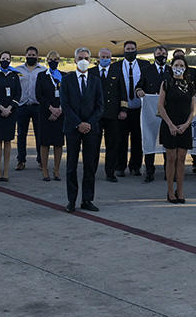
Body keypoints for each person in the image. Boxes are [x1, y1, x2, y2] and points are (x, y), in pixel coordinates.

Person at [62, 47, 103, 212]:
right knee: (71, 166)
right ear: (75, 60)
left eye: (86, 58)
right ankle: (71, 200)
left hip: (91, 130)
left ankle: (87, 199)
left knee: (90, 166)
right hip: (73, 128)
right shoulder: (67, 80)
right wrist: (78, 124)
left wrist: (89, 124)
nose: (83, 61)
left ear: (91, 61)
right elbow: (65, 105)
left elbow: (100, 106)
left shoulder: (95, 81)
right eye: (80, 58)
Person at [158, 53, 196, 204]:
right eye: (176, 65)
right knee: (171, 158)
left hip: (184, 126)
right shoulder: (166, 84)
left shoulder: (190, 86)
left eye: (181, 65)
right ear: (172, 67)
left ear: (185, 68)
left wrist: (186, 125)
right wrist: (170, 125)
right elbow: (160, 106)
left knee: (181, 158)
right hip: (170, 125)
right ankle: (170, 190)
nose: (179, 68)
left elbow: (193, 110)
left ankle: (180, 190)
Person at [135, 45, 171, 182]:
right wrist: (139, 90)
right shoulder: (147, 70)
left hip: (167, 112)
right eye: (159, 53)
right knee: (150, 140)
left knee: (167, 142)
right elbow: (139, 85)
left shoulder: (171, 70)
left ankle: (169, 171)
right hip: (151, 112)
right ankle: (149, 171)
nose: (161, 55)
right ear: (154, 55)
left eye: (164, 53)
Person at [94, 47, 128, 183]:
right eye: (103, 57)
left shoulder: (117, 71)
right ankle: (91, 171)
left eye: (107, 57)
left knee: (112, 145)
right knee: (93, 145)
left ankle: (110, 172)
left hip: (113, 114)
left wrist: (123, 110)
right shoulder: (92, 72)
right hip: (95, 115)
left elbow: (123, 92)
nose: (105, 59)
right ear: (98, 58)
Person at [117, 41, 150, 177]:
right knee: (121, 139)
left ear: (136, 50)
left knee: (137, 139)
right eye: (128, 49)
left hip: (139, 110)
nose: (130, 51)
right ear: (124, 50)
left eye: (132, 49)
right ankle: (120, 166)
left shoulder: (145, 65)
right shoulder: (116, 66)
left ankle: (135, 166)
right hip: (122, 110)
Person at [0, 52, 21, 181]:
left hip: (11, 112)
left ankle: (6, 170)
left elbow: (18, 93)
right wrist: (1, 108)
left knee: (8, 140)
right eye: (3, 58)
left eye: (7, 59)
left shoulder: (14, 76)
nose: (5, 60)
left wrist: (9, 108)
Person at [35, 52, 65, 181]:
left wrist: (59, 109)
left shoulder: (64, 76)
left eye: (56, 59)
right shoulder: (42, 76)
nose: (53, 61)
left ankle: (56, 170)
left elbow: (67, 94)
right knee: (45, 142)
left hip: (60, 113)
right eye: (51, 59)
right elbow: (39, 95)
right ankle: (45, 169)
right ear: (47, 61)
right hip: (45, 113)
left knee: (58, 143)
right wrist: (51, 108)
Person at [14, 46, 45, 171]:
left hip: (37, 105)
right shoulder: (17, 70)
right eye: (29, 55)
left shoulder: (43, 70)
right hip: (22, 105)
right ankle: (21, 160)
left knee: (40, 134)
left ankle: (41, 160)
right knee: (21, 134)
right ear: (25, 56)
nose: (31, 57)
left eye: (33, 55)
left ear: (37, 56)